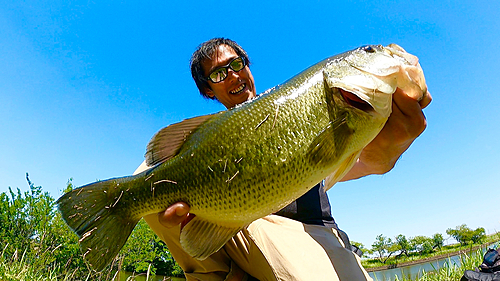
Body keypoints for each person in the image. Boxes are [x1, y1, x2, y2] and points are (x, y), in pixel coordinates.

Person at [134, 38, 432, 281]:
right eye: (218, 73)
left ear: (248, 67)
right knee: (147, 176)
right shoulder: (204, 143)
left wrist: (394, 140)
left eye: (237, 64)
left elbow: (369, 162)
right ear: (208, 91)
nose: (233, 75)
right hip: (239, 229)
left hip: (313, 234)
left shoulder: (302, 108)